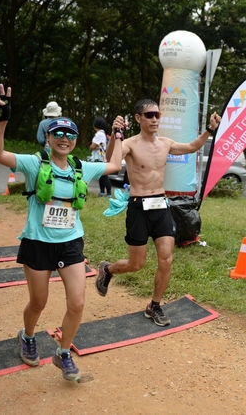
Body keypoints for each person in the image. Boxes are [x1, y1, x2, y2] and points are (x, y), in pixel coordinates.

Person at [0, 84, 122, 381]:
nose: (64, 138)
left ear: (75, 140)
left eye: (70, 134)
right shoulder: (34, 163)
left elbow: (114, 164)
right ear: (47, 138)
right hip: (37, 243)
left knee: (77, 302)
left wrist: (117, 135)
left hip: (70, 243)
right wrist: (2, 120)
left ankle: (63, 354)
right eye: (58, 133)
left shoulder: (81, 167)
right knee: (39, 302)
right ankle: (27, 335)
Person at [95, 99, 221, 327]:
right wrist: (115, 135)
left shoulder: (165, 143)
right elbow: (111, 160)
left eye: (157, 115)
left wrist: (210, 129)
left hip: (161, 205)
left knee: (166, 259)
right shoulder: (130, 144)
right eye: (149, 115)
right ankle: (108, 270)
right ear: (138, 118)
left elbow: (192, 147)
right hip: (138, 206)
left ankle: (154, 305)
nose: (154, 119)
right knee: (136, 264)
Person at [89, 116, 112, 197]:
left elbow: (93, 146)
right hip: (102, 157)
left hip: (99, 158)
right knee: (102, 176)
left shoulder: (99, 134)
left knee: (104, 176)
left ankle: (108, 193)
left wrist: (91, 147)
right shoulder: (103, 134)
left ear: (95, 125)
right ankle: (102, 192)